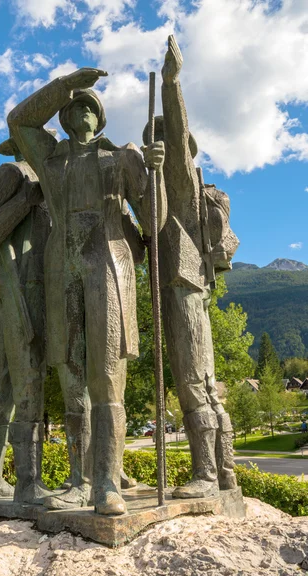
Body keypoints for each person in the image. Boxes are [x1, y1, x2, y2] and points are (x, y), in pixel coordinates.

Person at [7, 68, 166, 515]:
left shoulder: (122, 158)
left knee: (106, 376)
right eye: (72, 106)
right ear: (63, 117)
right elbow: (18, 122)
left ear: (100, 117)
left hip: (107, 261)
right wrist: (65, 84)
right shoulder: (51, 158)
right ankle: (79, 480)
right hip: (62, 264)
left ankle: (107, 485)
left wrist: (155, 174)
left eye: (87, 105)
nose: (80, 110)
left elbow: (153, 221)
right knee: (70, 372)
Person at [149, 35, 239, 498]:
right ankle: (222, 474)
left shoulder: (181, 185)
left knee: (193, 381)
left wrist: (170, 83)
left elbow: (178, 135)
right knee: (197, 380)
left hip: (184, 286)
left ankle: (210, 473)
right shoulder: (155, 193)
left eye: (163, 140)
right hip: (172, 288)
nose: (157, 148)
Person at [0, 135, 52, 504]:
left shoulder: (49, 178)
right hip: (17, 288)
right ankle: (25, 483)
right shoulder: (13, 173)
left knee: (4, 390)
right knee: (22, 387)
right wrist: (23, 202)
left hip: (37, 288)